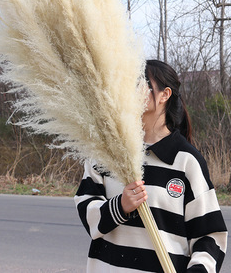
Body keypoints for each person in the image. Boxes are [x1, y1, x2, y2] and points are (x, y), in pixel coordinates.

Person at [74, 59, 228, 272]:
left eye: (140, 82)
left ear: (164, 95)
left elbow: (209, 236)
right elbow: (87, 214)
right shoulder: (106, 151)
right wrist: (120, 206)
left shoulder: (185, 160)